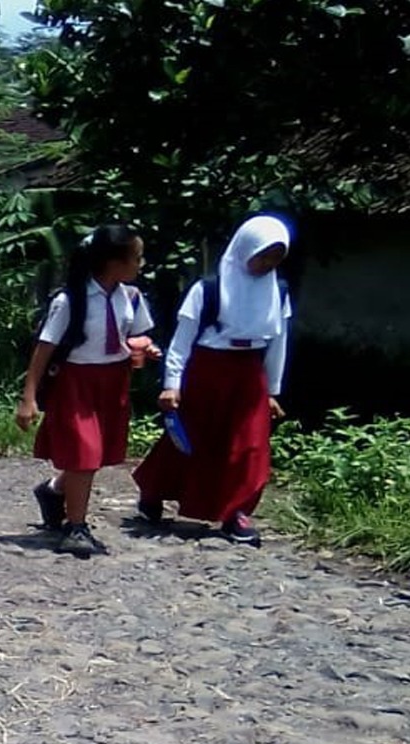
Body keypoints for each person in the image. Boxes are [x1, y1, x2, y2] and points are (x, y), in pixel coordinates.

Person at [131, 213, 293, 546]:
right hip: (208, 370)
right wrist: (172, 383)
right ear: (245, 249)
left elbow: (278, 342)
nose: (267, 263)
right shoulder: (208, 289)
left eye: (276, 257)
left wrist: (272, 391)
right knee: (192, 439)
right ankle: (154, 489)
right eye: (262, 254)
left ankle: (236, 513)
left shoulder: (278, 291)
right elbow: (182, 340)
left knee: (249, 445)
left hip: (250, 374)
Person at [17, 224, 161, 558]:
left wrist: (143, 348)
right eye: (136, 258)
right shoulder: (71, 300)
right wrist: (29, 397)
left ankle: (54, 491)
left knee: (95, 456)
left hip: (113, 383)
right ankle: (76, 526)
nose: (140, 264)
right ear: (114, 261)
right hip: (77, 383)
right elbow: (44, 349)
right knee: (84, 452)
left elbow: (134, 335)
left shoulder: (132, 298)